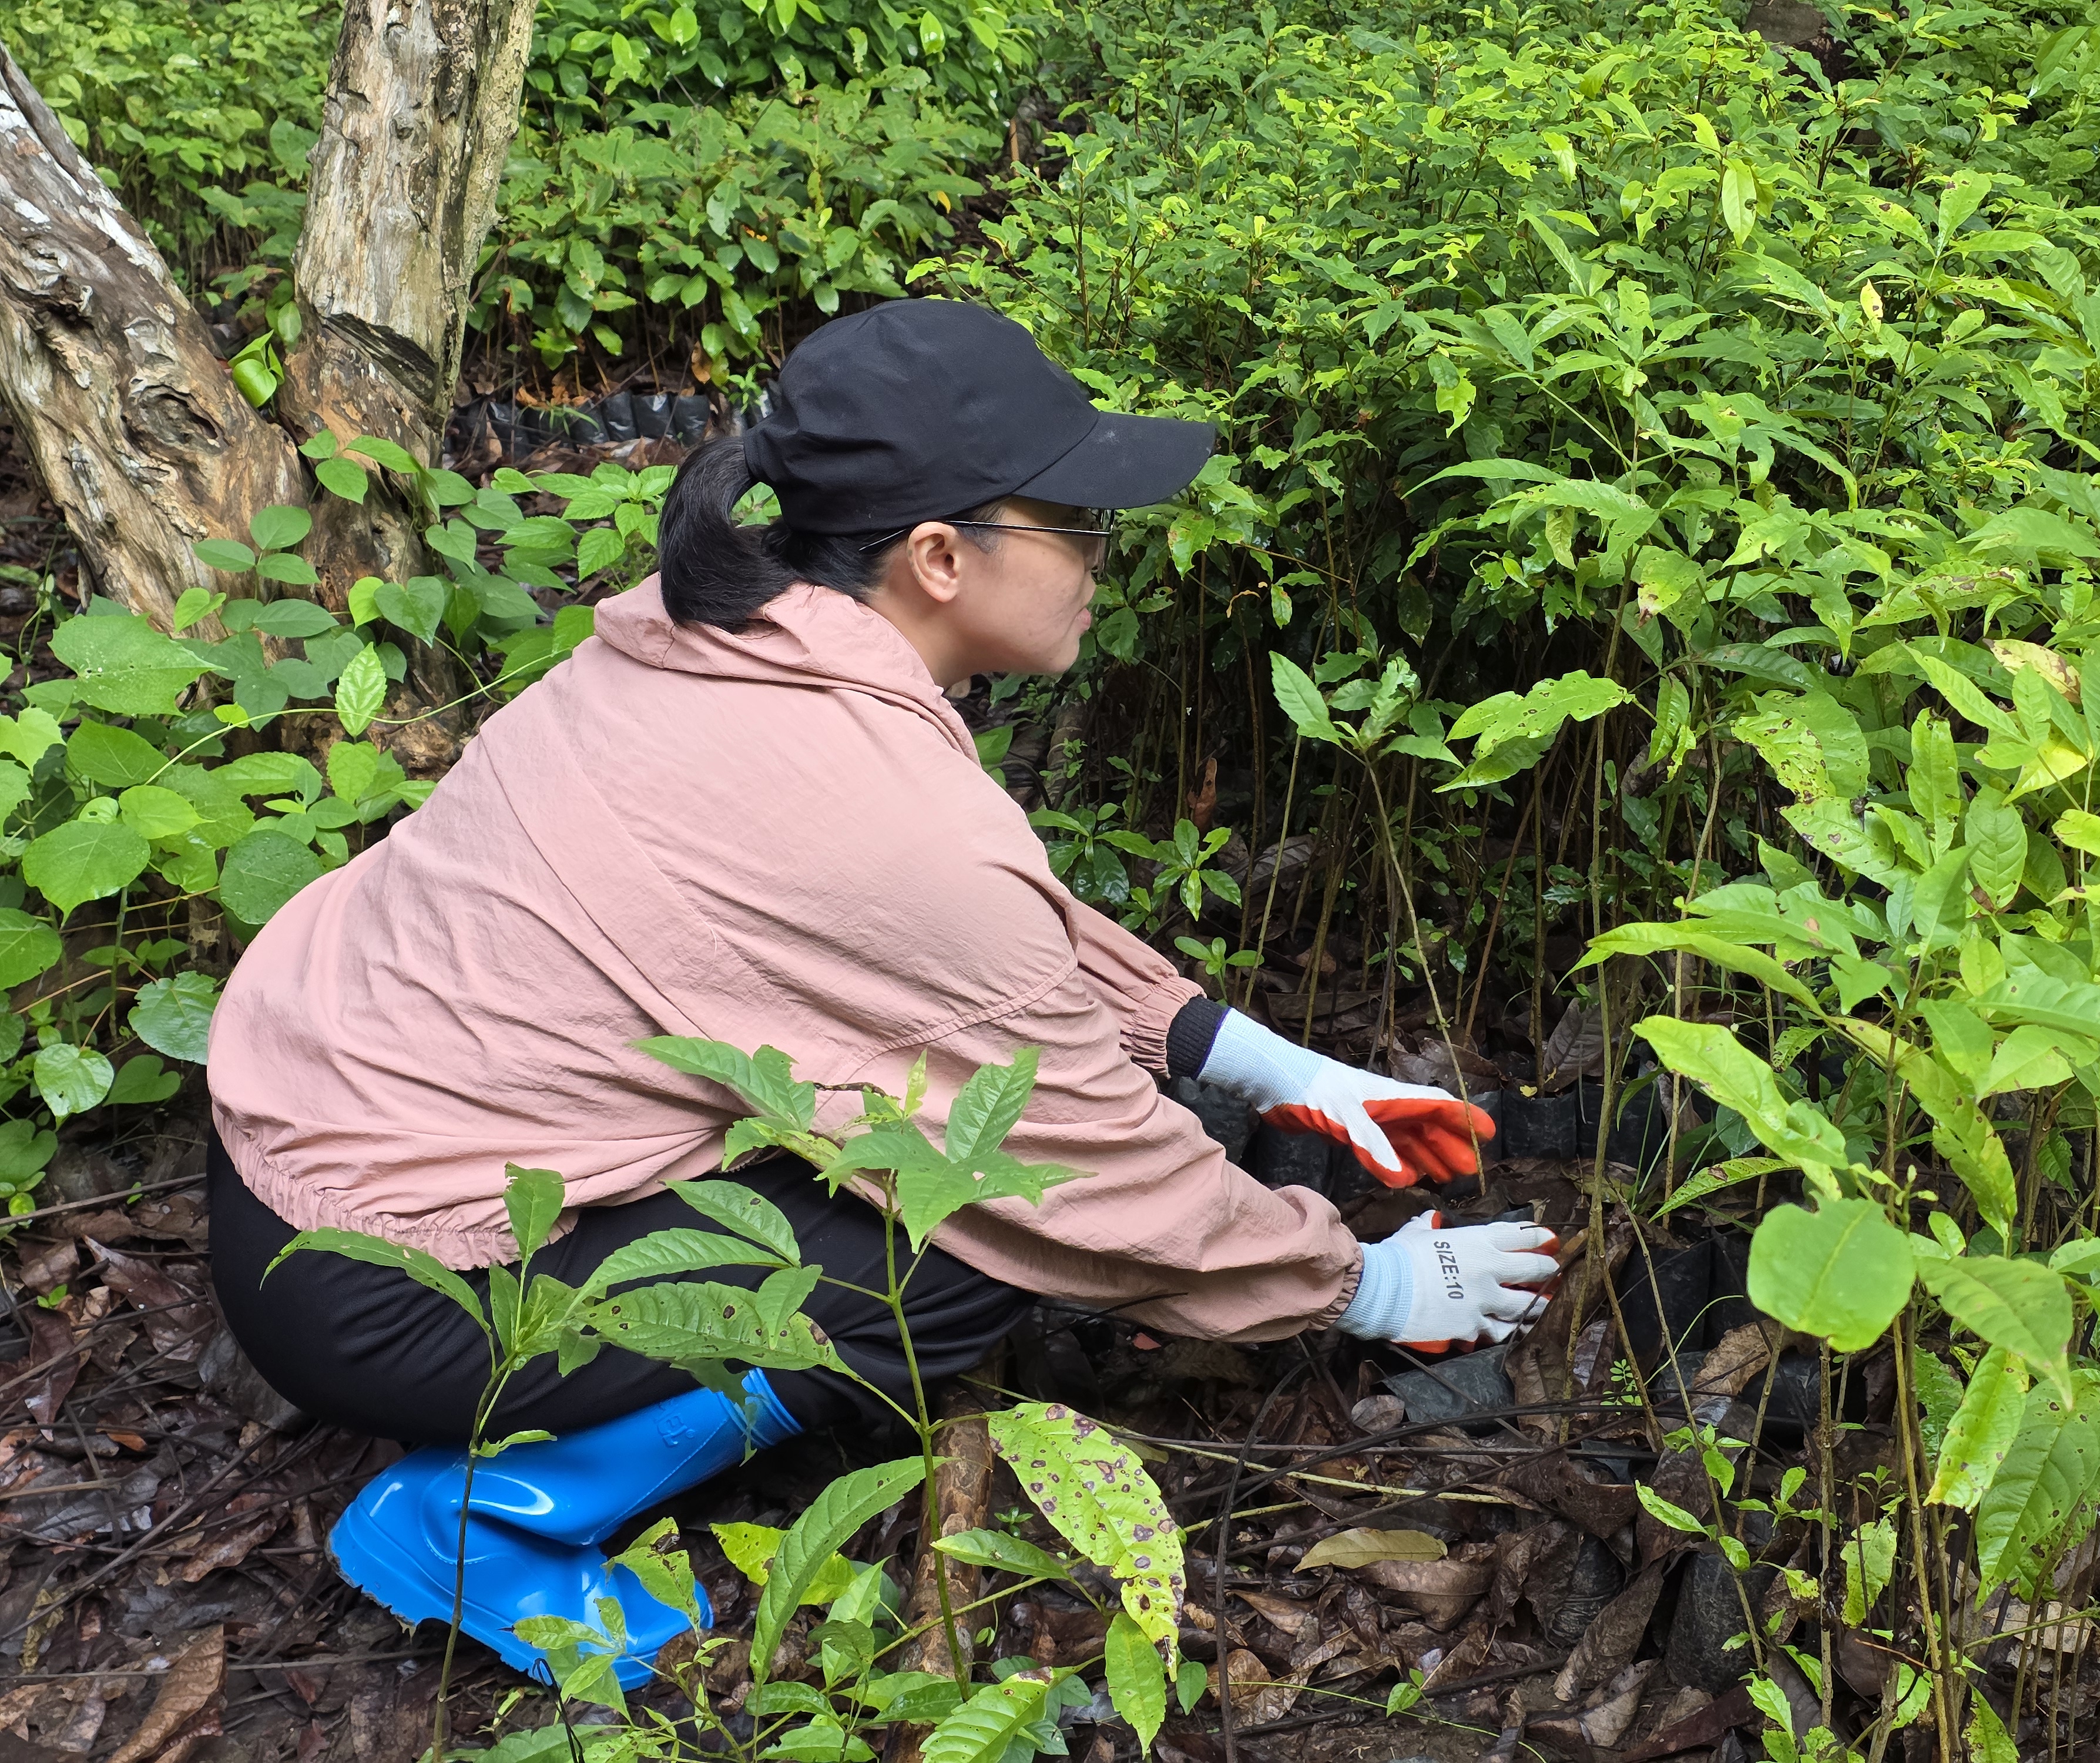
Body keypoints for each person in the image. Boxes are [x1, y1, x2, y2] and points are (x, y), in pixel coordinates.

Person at [204, 299, 1557, 1685]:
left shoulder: (720, 640)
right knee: (970, 1242)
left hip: (300, 1147)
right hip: (392, 1282)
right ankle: (484, 1519)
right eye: (1078, 525)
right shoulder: (870, 797)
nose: (1104, 560)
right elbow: (1077, 1173)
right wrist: (1362, 1285)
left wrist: (1266, 1063)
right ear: (937, 557)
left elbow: (974, 934)